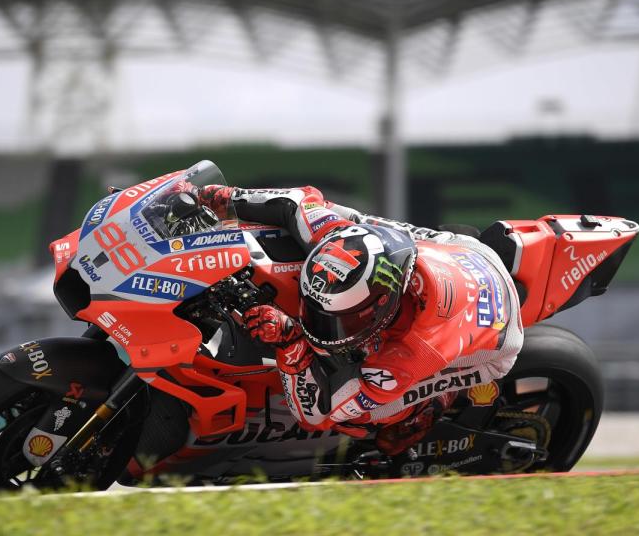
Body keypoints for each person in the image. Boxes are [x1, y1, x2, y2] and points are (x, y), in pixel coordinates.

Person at [192, 183, 523, 456]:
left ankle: (425, 410)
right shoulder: (339, 239)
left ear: (382, 305)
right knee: (339, 219)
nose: (322, 328)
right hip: (461, 251)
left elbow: (317, 414)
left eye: (343, 320)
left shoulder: (412, 350)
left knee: (364, 415)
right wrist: (225, 197)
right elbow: (296, 202)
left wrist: (292, 341)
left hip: (495, 341)